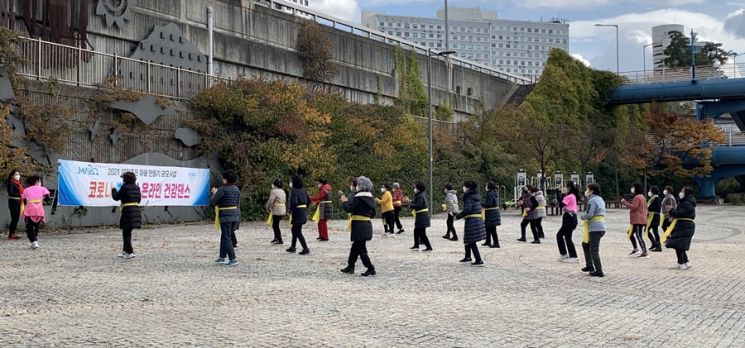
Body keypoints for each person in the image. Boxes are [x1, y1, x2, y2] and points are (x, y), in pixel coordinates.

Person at [340, 176, 377, 277]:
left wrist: (344, 201)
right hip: (366, 224)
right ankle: (350, 266)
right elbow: (373, 213)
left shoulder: (358, 197)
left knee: (361, 249)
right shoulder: (371, 198)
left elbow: (349, 209)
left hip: (359, 225)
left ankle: (370, 268)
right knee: (356, 246)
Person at [211, 170, 241, 266]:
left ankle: (233, 258)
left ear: (225, 179)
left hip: (225, 215)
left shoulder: (222, 189)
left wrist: (214, 193)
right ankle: (222, 257)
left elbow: (214, 201)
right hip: (235, 215)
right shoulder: (236, 189)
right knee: (225, 236)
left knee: (226, 237)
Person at [663, 187, 696, 270]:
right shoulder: (689, 202)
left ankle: (681, 262)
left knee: (677, 243)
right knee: (681, 244)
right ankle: (686, 262)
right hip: (686, 225)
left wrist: (671, 210)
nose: (680, 192)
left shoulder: (686, 203)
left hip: (683, 225)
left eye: (682, 191)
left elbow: (680, 213)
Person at [111, 172, 142, 259]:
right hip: (136, 210)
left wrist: (113, 189)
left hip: (128, 211)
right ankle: (125, 251)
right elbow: (139, 200)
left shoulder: (124, 187)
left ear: (125, 179)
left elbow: (116, 197)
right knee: (127, 232)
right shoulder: (137, 187)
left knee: (126, 233)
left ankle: (130, 252)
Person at [456, 181, 486, 266]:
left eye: (464, 186)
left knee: (472, 240)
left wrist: (457, 216)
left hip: (472, 219)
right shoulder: (475, 196)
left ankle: (478, 260)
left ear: (468, 188)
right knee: (468, 238)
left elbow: (467, 210)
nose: (463, 188)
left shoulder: (468, 197)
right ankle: (468, 256)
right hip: (476, 218)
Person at [580, 183, 606, 277]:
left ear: (592, 190)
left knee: (593, 249)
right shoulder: (600, 199)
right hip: (601, 226)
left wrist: (583, 217)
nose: (586, 191)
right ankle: (589, 265)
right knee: (586, 244)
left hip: (595, 227)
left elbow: (589, 214)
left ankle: (599, 271)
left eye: (588, 189)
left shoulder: (592, 200)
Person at [21, 175, 50, 249]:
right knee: (36, 226)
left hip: (29, 211)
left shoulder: (26, 190)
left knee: (29, 227)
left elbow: (24, 200)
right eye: (40, 181)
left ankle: (34, 241)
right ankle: (34, 240)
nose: (40, 183)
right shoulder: (43, 189)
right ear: (37, 181)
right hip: (39, 210)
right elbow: (47, 198)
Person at [621, 183, 649, 258]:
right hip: (640, 218)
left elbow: (634, 207)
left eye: (633, 187)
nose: (632, 189)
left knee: (638, 235)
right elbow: (645, 206)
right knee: (629, 233)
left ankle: (644, 251)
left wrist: (624, 202)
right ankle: (635, 249)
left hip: (638, 220)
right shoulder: (642, 196)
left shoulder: (637, 197)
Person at [556, 181, 579, 262]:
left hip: (570, 217)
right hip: (568, 216)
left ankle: (574, 256)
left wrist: (560, 193)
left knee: (567, 237)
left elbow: (560, 204)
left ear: (569, 187)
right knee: (560, 235)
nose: (564, 188)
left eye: (565, 186)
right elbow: (562, 202)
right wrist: (561, 193)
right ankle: (564, 254)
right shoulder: (569, 195)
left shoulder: (570, 196)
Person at [287, 175, 310, 255]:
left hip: (297, 212)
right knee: (295, 229)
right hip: (302, 210)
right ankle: (293, 246)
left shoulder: (294, 191)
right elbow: (309, 200)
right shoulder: (304, 190)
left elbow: (294, 202)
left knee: (297, 231)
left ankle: (305, 248)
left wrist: (290, 210)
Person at [408, 181, 432, 251]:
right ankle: (416, 245)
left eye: (415, 187)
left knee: (422, 233)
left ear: (418, 188)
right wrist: (411, 202)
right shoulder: (420, 195)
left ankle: (429, 247)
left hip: (422, 216)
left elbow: (418, 205)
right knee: (416, 231)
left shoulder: (420, 196)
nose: (414, 188)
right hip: (422, 216)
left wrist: (411, 205)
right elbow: (416, 202)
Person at [265, 180, 287, 245]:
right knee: (276, 224)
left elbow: (270, 200)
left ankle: (279, 239)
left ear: (274, 185)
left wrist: (267, 207)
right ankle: (276, 237)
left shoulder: (274, 191)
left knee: (275, 225)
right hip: (282, 208)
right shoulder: (282, 191)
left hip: (277, 209)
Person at [482, 181, 501, 248]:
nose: (486, 187)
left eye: (487, 185)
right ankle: (488, 241)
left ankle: (496, 243)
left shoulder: (490, 193)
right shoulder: (494, 192)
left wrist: (481, 204)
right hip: (493, 212)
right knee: (488, 227)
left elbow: (489, 204)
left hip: (491, 213)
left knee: (492, 229)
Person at [5, 169, 23, 240]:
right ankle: (11, 234)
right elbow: (11, 192)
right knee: (14, 218)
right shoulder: (11, 182)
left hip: (18, 202)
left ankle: (13, 233)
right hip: (13, 202)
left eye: (18, 174)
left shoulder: (17, 183)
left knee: (16, 218)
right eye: (16, 174)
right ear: (12, 175)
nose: (18, 176)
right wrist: (21, 194)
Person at [646, 186, 663, 252]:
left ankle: (658, 246)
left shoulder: (657, 198)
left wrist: (649, 207)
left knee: (655, 231)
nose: (649, 192)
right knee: (646, 230)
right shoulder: (652, 198)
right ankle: (654, 243)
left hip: (655, 217)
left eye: (650, 191)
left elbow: (657, 208)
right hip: (650, 216)